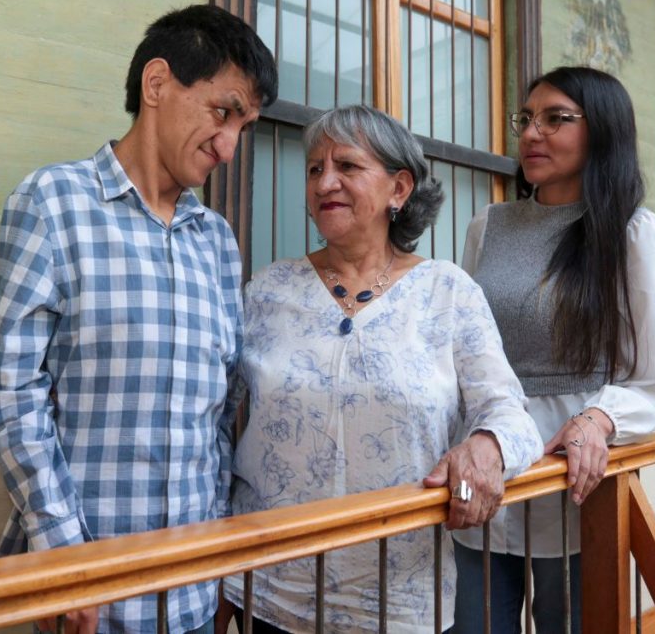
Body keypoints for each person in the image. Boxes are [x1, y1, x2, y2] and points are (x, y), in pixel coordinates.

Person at [0, 4, 277, 634]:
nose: (229, 145)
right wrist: (62, 550)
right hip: (89, 597)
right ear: (158, 84)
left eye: (244, 126)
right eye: (224, 112)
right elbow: (11, 386)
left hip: (191, 594)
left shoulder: (216, 240)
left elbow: (220, 413)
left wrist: (217, 560)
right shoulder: (53, 203)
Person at [217, 105, 543, 634]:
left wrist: (485, 445)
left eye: (347, 166)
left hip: (398, 601)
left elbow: (508, 410)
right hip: (272, 589)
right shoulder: (269, 290)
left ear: (399, 189)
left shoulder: (447, 292)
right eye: (314, 168)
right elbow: (218, 421)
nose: (326, 182)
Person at [451, 66, 655, 634]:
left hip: (572, 464)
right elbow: (461, 342)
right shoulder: (488, 224)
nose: (533, 133)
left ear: (601, 131)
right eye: (527, 118)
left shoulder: (630, 230)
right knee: (473, 620)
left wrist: (598, 419)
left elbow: (652, 377)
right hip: (481, 453)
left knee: (569, 622)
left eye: (556, 119)